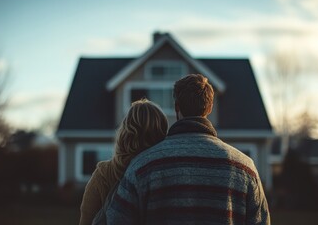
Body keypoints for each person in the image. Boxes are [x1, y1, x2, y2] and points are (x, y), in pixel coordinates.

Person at [107, 74, 270, 224]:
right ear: (210, 107)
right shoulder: (245, 168)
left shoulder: (142, 166)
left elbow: (116, 220)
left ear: (177, 107)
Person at [79, 99, 168, 225]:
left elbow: (86, 219)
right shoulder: (167, 172)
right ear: (162, 134)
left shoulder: (105, 174)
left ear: (125, 132)